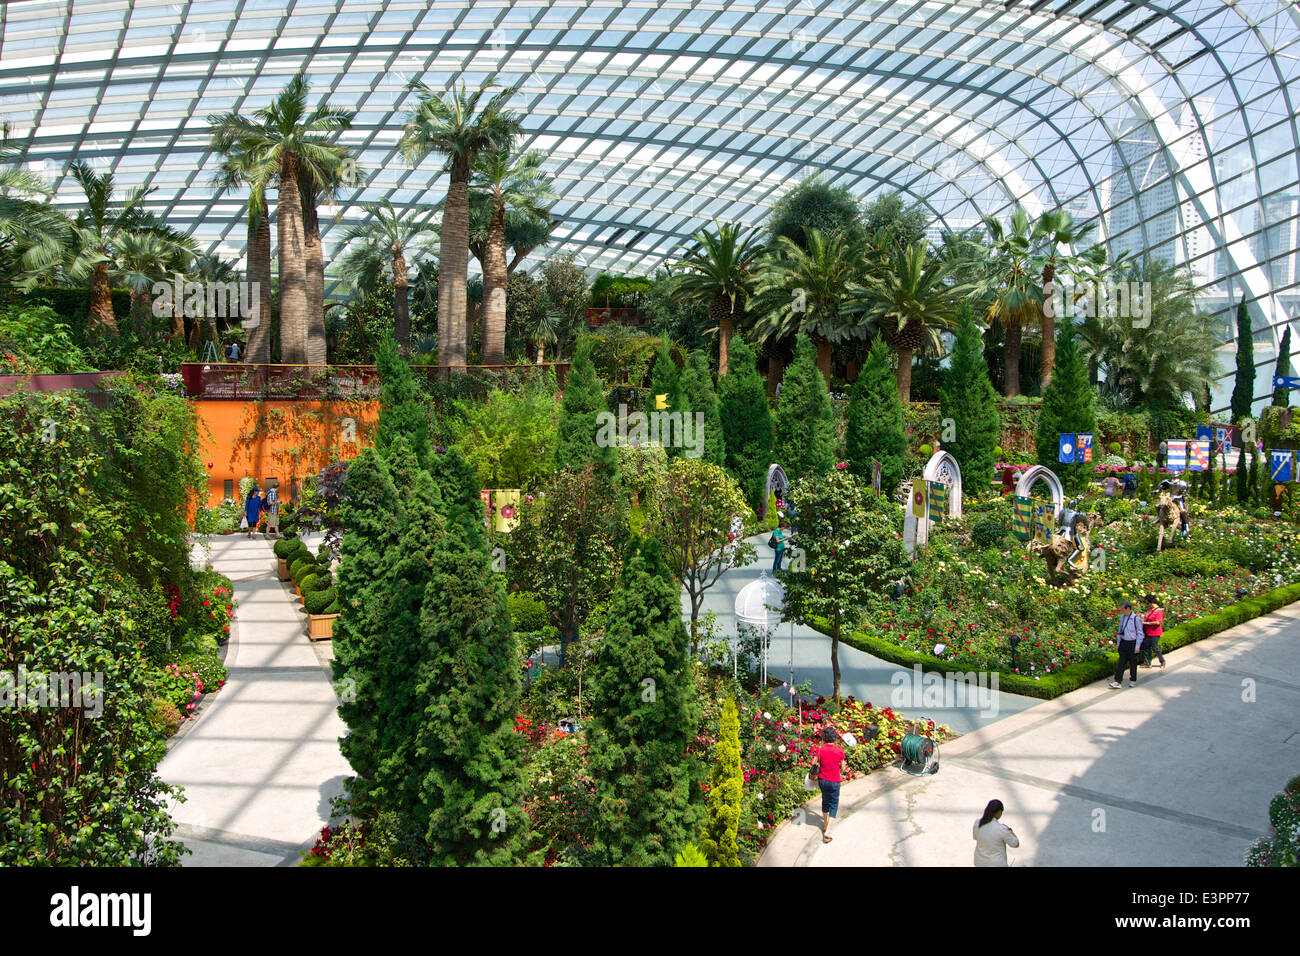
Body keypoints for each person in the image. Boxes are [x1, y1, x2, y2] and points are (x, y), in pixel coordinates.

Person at [811, 726, 846, 844]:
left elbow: (813, 762)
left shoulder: (820, 749)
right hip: (834, 780)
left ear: (824, 737)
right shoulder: (839, 750)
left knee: (825, 801)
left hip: (822, 780)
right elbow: (843, 767)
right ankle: (828, 831)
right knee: (834, 804)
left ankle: (825, 825)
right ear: (834, 737)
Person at [972, 799, 1019, 867]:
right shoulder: (1001, 828)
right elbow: (1015, 844)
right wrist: (1010, 831)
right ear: (999, 812)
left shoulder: (977, 823)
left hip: (979, 862)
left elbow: (975, 837)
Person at [1110, 599, 1143, 688]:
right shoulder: (1122, 617)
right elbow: (1120, 631)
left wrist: (1137, 646)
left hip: (1133, 643)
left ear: (1128, 608)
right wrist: (1118, 644)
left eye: (1123, 609)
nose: (1122, 611)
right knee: (1121, 662)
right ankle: (1117, 681)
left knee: (1133, 663)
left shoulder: (1136, 619)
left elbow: (1140, 633)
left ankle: (1133, 679)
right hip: (1124, 642)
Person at [1141, 593, 1166, 669]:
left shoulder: (1159, 611)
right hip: (1148, 632)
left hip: (1155, 633)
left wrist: (1146, 623)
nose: (1147, 605)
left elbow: (1158, 622)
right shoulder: (1151, 611)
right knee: (1146, 646)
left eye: (1147, 603)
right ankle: (1148, 663)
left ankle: (1162, 661)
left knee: (1155, 647)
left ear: (1151, 602)